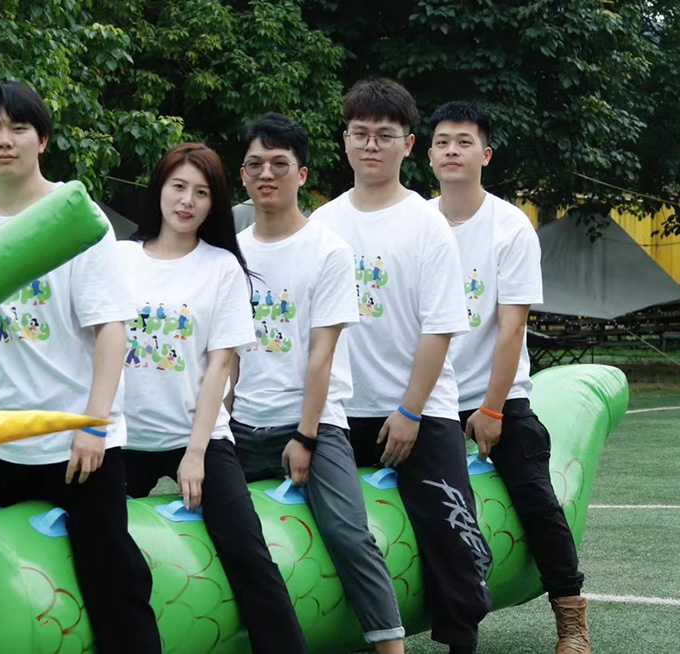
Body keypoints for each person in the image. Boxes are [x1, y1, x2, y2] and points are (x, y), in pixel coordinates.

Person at [0, 80, 161, 654]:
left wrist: (94, 425)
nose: (4, 140)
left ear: (42, 140)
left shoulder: (77, 219)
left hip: (77, 443)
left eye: (19, 128)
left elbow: (111, 329)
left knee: (114, 581)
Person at [310, 79, 492, 654]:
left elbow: (441, 328)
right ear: (344, 140)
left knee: (452, 536)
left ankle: (460, 639)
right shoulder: (321, 224)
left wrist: (411, 412)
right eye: (360, 133)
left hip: (419, 408)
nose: (371, 145)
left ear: (408, 145)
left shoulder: (426, 223)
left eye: (385, 135)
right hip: (340, 411)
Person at [119, 142, 308, 653]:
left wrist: (195, 453)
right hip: (123, 438)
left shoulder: (222, 267)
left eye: (201, 193)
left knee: (248, 553)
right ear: (159, 189)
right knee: (98, 548)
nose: (187, 201)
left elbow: (220, 367)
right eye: (178, 187)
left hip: (199, 437)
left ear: (213, 204)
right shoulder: (118, 259)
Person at [229, 114, 406, 653]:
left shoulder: (328, 250)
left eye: (279, 164)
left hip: (313, 424)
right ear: (242, 175)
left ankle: (390, 645)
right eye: (255, 164)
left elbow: (322, 355)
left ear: (302, 174)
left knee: (349, 534)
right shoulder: (231, 252)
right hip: (240, 426)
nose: (267, 174)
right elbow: (226, 356)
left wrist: (305, 436)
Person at [428, 100, 589, 654]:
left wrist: (493, 408)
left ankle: (570, 617)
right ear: (428, 156)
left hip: (497, 393)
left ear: (486, 155)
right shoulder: (416, 221)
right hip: (426, 396)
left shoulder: (509, 226)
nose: (452, 150)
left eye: (464, 142)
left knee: (535, 498)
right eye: (442, 142)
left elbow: (512, 326)